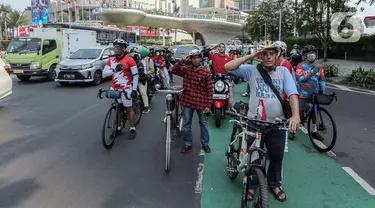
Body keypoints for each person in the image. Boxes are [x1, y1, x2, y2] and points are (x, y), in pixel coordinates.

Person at [224, 45, 300, 202]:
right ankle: (252, 185)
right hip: (254, 123)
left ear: (277, 56)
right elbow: (227, 67)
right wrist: (249, 57)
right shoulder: (251, 71)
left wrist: (296, 116)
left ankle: (274, 184)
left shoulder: (283, 72)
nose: (268, 57)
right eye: (264, 54)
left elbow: (292, 94)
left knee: (276, 157)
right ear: (260, 56)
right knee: (255, 158)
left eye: (272, 54)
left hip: (277, 124)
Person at [171, 49, 213, 154]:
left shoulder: (205, 72)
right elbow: (173, 70)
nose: (195, 60)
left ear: (201, 59)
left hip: (201, 102)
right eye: (193, 58)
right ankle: (187, 143)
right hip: (187, 101)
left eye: (197, 57)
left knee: (203, 124)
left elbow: (210, 89)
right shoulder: (186, 69)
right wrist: (182, 60)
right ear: (191, 59)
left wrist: (208, 105)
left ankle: (205, 144)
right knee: (187, 124)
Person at [103, 39, 139, 140]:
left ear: (123, 49)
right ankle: (118, 128)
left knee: (128, 109)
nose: (116, 49)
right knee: (117, 108)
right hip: (114, 87)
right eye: (114, 47)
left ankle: (132, 128)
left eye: (118, 47)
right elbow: (104, 73)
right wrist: (115, 69)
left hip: (126, 88)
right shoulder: (110, 60)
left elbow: (135, 75)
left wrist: (134, 89)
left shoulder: (130, 60)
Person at [295, 45, 326, 141]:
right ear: (305, 55)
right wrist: (310, 73)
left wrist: (323, 89)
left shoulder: (319, 66)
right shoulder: (301, 66)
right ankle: (293, 130)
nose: (312, 55)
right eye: (309, 53)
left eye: (313, 53)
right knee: (298, 112)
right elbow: (299, 79)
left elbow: (322, 79)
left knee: (314, 112)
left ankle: (314, 131)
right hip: (303, 93)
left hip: (315, 93)